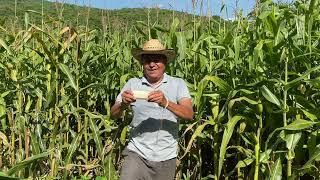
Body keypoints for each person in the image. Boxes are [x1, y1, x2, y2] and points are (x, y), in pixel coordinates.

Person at [111, 39, 194, 180]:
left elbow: (189, 114)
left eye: (156, 60)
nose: (152, 64)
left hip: (166, 157)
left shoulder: (178, 84)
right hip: (137, 153)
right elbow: (113, 114)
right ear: (142, 64)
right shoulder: (133, 84)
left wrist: (166, 102)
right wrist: (123, 104)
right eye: (147, 60)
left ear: (165, 62)